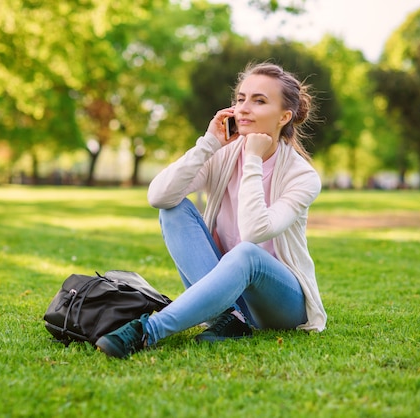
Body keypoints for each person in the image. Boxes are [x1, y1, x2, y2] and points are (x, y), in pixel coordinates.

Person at [96, 62, 327, 358]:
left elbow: (254, 233)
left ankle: (147, 331)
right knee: (173, 208)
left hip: (281, 304)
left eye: (259, 101)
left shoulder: (302, 176)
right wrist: (209, 144)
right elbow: (159, 196)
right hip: (230, 295)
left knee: (246, 254)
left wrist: (254, 159)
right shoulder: (223, 154)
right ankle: (229, 319)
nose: (244, 108)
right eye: (241, 98)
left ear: (284, 116)